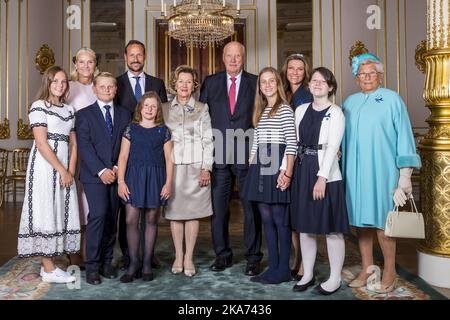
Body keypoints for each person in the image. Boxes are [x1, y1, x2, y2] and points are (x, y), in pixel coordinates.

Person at [342, 53, 421, 293]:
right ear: (356, 78)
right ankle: (367, 267)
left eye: (371, 73)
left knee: (384, 223)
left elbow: (405, 137)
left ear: (380, 75)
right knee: (361, 222)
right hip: (355, 173)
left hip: (382, 172)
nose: (367, 77)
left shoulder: (392, 100)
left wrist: (404, 176)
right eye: (362, 74)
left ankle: (389, 270)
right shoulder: (349, 102)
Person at [199, 41, 262, 276]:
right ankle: (222, 255)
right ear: (222, 58)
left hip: (247, 156)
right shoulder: (211, 82)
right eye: (229, 56)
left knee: (250, 208)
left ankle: (253, 257)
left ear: (243, 58)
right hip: (219, 156)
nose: (233, 60)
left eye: (238, 56)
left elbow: (262, 118)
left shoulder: (255, 82)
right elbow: (202, 119)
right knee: (219, 209)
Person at [288, 67, 349, 295]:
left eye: (323, 81)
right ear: (309, 84)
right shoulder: (301, 110)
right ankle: (308, 273)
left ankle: (334, 278)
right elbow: (293, 143)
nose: (317, 84)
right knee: (305, 228)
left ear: (330, 87)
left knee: (332, 229)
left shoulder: (336, 112)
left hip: (326, 174)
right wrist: (287, 171)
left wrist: (322, 178)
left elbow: (333, 147)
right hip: (303, 171)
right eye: (314, 80)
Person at [17, 66, 79, 283]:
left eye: (63, 82)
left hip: (65, 167)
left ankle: (49, 267)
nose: (60, 85)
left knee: (59, 210)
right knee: (45, 210)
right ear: (48, 83)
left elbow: (73, 143)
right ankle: (49, 268)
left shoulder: (70, 110)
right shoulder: (38, 107)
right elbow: (42, 144)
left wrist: (70, 170)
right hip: (45, 167)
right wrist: (61, 169)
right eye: (55, 82)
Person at [115, 40, 168, 270]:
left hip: (153, 154)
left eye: (139, 55)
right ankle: (129, 256)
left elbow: (164, 116)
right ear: (125, 57)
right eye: (131, 55)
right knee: (128, 214)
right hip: (127, 152)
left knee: (150, 213)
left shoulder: (157, 83)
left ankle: (148, 256)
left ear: (145, 56)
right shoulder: (116, 84)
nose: (136, 59)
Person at [242, 67, 297, 284]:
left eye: (271, 81)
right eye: (263, 82)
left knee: (280, 219)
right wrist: (252, 161)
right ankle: (273, 266)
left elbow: (291, 144)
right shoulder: (263, 110)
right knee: (266, 218)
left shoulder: (284, 109)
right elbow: (257, 141)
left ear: (278, 84)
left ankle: (283, 268)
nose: (267, 85)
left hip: (277, 164)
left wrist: (288, 172)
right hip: (261, 165)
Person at [76, 72, 131, 285]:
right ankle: (92, 266)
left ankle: (107, 262)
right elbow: (85, 146)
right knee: (98, 216)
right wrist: (102, 170)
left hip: (117, 174)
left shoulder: (125, 114)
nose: (107, 90)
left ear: (115, 90)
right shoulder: (84, 115)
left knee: (111, 218)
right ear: (95, 89)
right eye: (102, 86)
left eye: (110, 87)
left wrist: (117, 168)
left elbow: (127, 145)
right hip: (94, 176)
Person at [162, 66, 213, 277]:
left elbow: (208, 140)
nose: (184, 85)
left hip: (195, 168)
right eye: (180, 81)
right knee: (175, 214)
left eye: (188, 82)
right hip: (172, 168)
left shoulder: (202, 108)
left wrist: (206, 168)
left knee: (193, 215)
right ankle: (178, 255)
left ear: (194, 85)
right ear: (174, 84)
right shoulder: (163, 108)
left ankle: (189, 257)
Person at [117, 91, 173, 282]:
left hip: (156, 177)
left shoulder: (163, 131)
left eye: (154, 106)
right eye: (146, 105)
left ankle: (148, 262)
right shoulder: (130, 129)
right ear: (140, 108)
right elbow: (123, 157)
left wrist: (168, 183)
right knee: (131, 219)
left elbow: (169, 159)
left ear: (158, 110)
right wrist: (121, 181)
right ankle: (134, 263)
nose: (149, 109)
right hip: (133, 177)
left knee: (151, 220)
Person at [280, 53, 313, 280]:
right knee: (289, 213)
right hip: (281, 155)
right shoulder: (283, 92)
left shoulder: (308, 94)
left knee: (301, 212)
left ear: (305, 71)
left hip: (301, 157)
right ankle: (296, 257)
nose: (295, 72)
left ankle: (303, 263)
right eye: (291, 68)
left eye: (299, 69)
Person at [66, 47, 99, 268]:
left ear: (95, 64)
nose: (86, 66)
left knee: (90, 201)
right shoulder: (67, 88)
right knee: (73, 199)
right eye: (81, 62)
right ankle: (73, 252)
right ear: (75, 64)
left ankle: (89, 251)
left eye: (90, 62)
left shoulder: (99, 87)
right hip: (73, 149)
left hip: (96, 150)